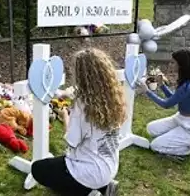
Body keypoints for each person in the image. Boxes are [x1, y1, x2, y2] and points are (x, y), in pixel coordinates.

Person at [31, 48, 123, 196]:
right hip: (109, 167)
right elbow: (78, 92)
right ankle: (104, 187)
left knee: (37, 169)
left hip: (87, 170)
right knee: (54, 166)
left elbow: (71, 141)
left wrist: (65, 116)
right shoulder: (112, 97)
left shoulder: (83, 105)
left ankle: (90, 191)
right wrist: (64, 94)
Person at [137, 48, 190, 157]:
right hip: (180, 118)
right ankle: (185, 139)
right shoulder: (186, 81)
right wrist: (162, 85)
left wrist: (147, 91)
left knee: (155, 145)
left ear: (182, 65)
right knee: (150, 128)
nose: (170, 64)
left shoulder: (188, 85)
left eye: (173, 62)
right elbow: (174, 98)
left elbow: (167, 105)